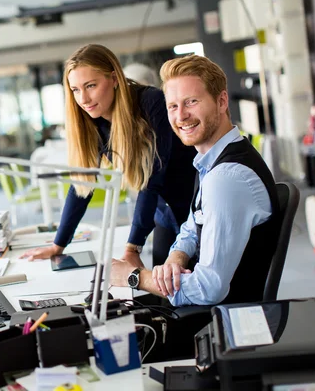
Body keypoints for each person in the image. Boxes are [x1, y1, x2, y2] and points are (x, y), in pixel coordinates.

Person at [110, 54, 281, 308]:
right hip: (204, 312)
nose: (181, 116)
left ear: (222, 101)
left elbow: (208, 288)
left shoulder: (226, 178)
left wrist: (133, 277)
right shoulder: (212, 163)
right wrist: (176, 258)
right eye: (172, 106)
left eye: (191, 102)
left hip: (214, 322)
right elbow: (192, 226)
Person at [20, 44, 197, 267]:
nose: (83, 98)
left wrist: (133, 246)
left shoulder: (151, 103)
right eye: (75, 90)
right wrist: (59, 244)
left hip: (196, 210)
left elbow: (152, 178)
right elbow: (82, 187)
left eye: (91, 85)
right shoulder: (95, 123)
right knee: (166, 292)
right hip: (164, 215)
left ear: (114, 78)